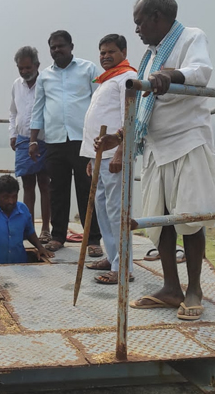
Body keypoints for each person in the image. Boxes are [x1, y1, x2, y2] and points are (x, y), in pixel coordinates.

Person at [96, 0, 215, 320]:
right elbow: (142, 107)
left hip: (187, 141)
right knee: (159, 219)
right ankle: (170, 288)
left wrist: (170, 75)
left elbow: (201, 71)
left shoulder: (191, 37)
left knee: (188, 219)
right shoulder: (150, 56)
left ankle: (194, 290)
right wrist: (120, 137)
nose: (136, 29)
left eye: (139, 22)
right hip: (156, 147)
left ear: (157, 18)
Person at [29, 30, 103, 256]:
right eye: (53, 47)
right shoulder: (44, 76)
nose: (57, 50)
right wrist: (33, 140)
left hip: (83, 139)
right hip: (55, 140)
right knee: (57, 189)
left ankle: (92, 239)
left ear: (71, 46)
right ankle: (58, 235)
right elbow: (38, 108)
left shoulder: (88, 69)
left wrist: (99, 135)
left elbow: (98, 102)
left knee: (86, 188)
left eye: (61, 46)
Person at [80, 34, 138, 285]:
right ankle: (112, 256)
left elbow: (130, 118)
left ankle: (123, 267)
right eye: (102, 52)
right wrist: (92, 158)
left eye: (111, 52)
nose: (105, 56)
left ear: (123, 51)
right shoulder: (106, 80)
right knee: (102, 209)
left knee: (117, 210)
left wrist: (120, 152)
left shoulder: (127, 78)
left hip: (114, 156)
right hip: (99, 156)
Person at [9, 46, 51, 244]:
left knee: (45, 183)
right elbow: (13, 112)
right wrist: (12, 134)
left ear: (37, 65)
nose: (25, 72)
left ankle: (45, 228)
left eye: (28, 67)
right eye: (21, 68)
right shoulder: (16, 85)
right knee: (27, 185)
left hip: (45, 139)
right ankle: (29, 227)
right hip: (23, 138)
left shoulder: (46, 82)